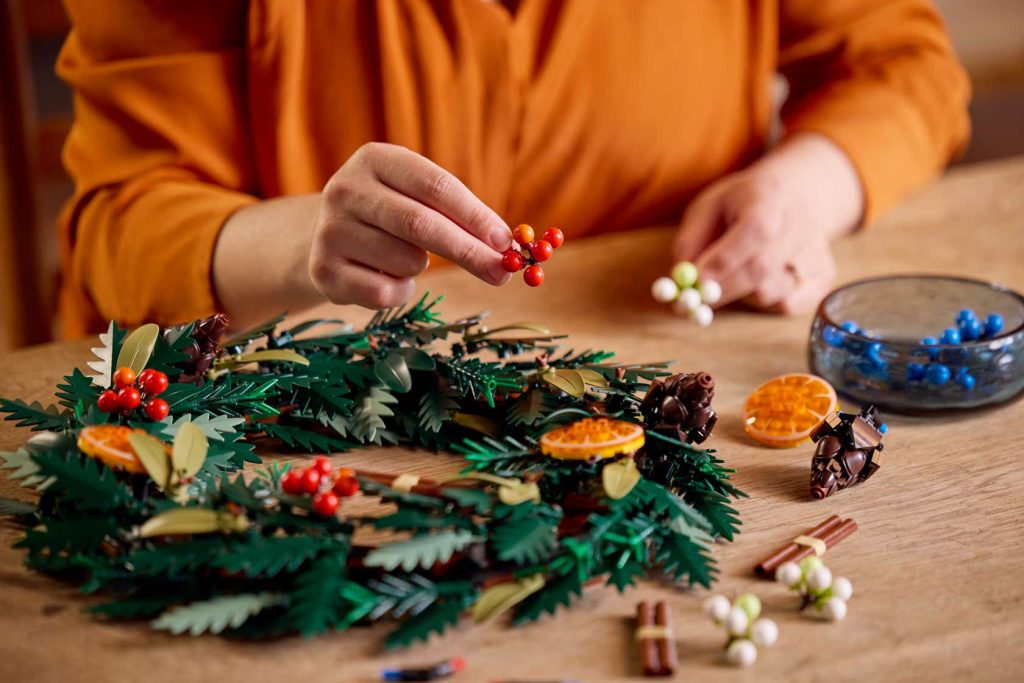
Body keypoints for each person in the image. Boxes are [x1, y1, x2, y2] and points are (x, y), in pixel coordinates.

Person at [56, 0, 969, 335]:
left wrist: (805, 187)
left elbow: (903, 69)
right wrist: (300, 246)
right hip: (299, 418)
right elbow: (121, 215)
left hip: (682, 375)